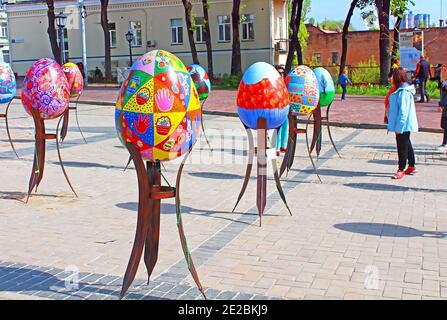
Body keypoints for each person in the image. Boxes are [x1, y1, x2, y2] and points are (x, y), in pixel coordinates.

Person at [387, 67, 419, 179]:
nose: (390, 78)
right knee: (406, 143)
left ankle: (401, 169)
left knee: (401, 146)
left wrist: (399, 128)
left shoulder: (403, 91)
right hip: (402, 124)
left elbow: (403, 112)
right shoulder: (399, 89)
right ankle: (412, 165)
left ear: (396, 77)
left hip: (403, 124)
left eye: (392, 76)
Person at [274, 64, 288, 156]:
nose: (282, 75)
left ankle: (283, 145)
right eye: (279, 73)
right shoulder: (273, 82)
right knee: (277, 128)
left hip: (285, 107)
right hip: (276, 108)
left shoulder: (285, 83)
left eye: (283, 73)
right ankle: (276, 147)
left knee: (285, 126)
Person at [437, 79, 447, 151]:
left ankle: (444, 143)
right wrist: (441, 104)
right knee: (445, 125)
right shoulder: (444, 82)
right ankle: (444, 143)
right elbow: (442, 95)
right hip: (445, 106)